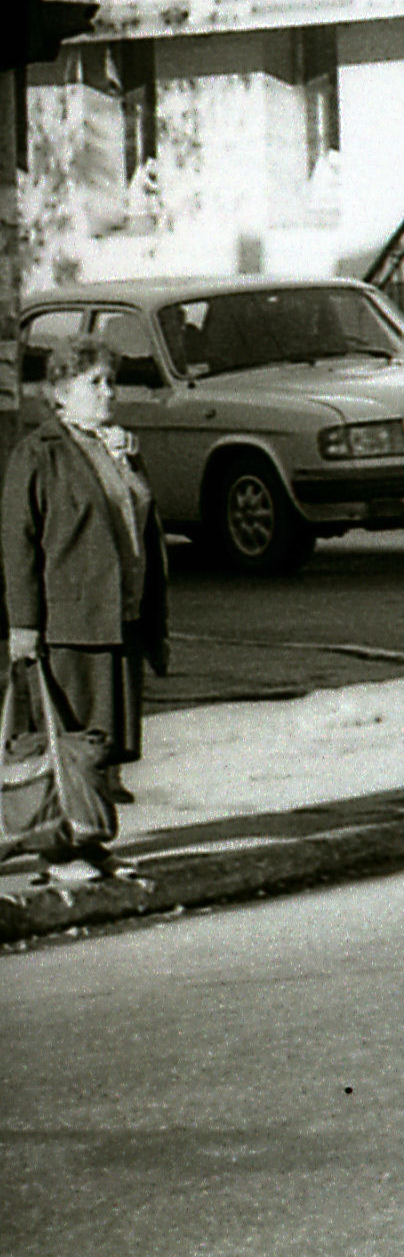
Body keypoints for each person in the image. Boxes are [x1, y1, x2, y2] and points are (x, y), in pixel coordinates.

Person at [7, 333, 164, 884]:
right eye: (95, 383)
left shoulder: (113, 444)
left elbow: (139, 518)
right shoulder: (40, 451)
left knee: (103, 741)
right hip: (68, 621)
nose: (109, 393)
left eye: (110, 382)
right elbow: (18, 541)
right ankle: (60, 853)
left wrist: (129, 461)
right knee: (70, 742)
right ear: (60, 393)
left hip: (118, 614)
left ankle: (93, 844)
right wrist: (23, 625)